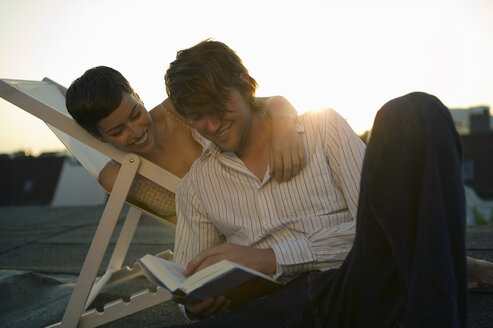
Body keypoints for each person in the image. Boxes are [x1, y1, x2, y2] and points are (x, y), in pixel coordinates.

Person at [162, 39, 473, 327]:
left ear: (244, 84)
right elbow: (186, 281)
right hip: (273, 309)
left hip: (351, 288)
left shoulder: (322, 129)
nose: (213, 125)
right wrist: (194, 305)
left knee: (414, 111)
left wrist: (270, 258)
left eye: (218, 107)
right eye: (198, 116)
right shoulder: (196, 187)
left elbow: (382, 230)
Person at [65, 66, 305, 223]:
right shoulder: (117, 178)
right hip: (241, 237)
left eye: (136, 113)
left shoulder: (176, 110)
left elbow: (272, 103)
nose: (137, 131)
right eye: (118, 131)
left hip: (284, 196)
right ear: (97, 136)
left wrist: (283, 128)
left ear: (137, 97)